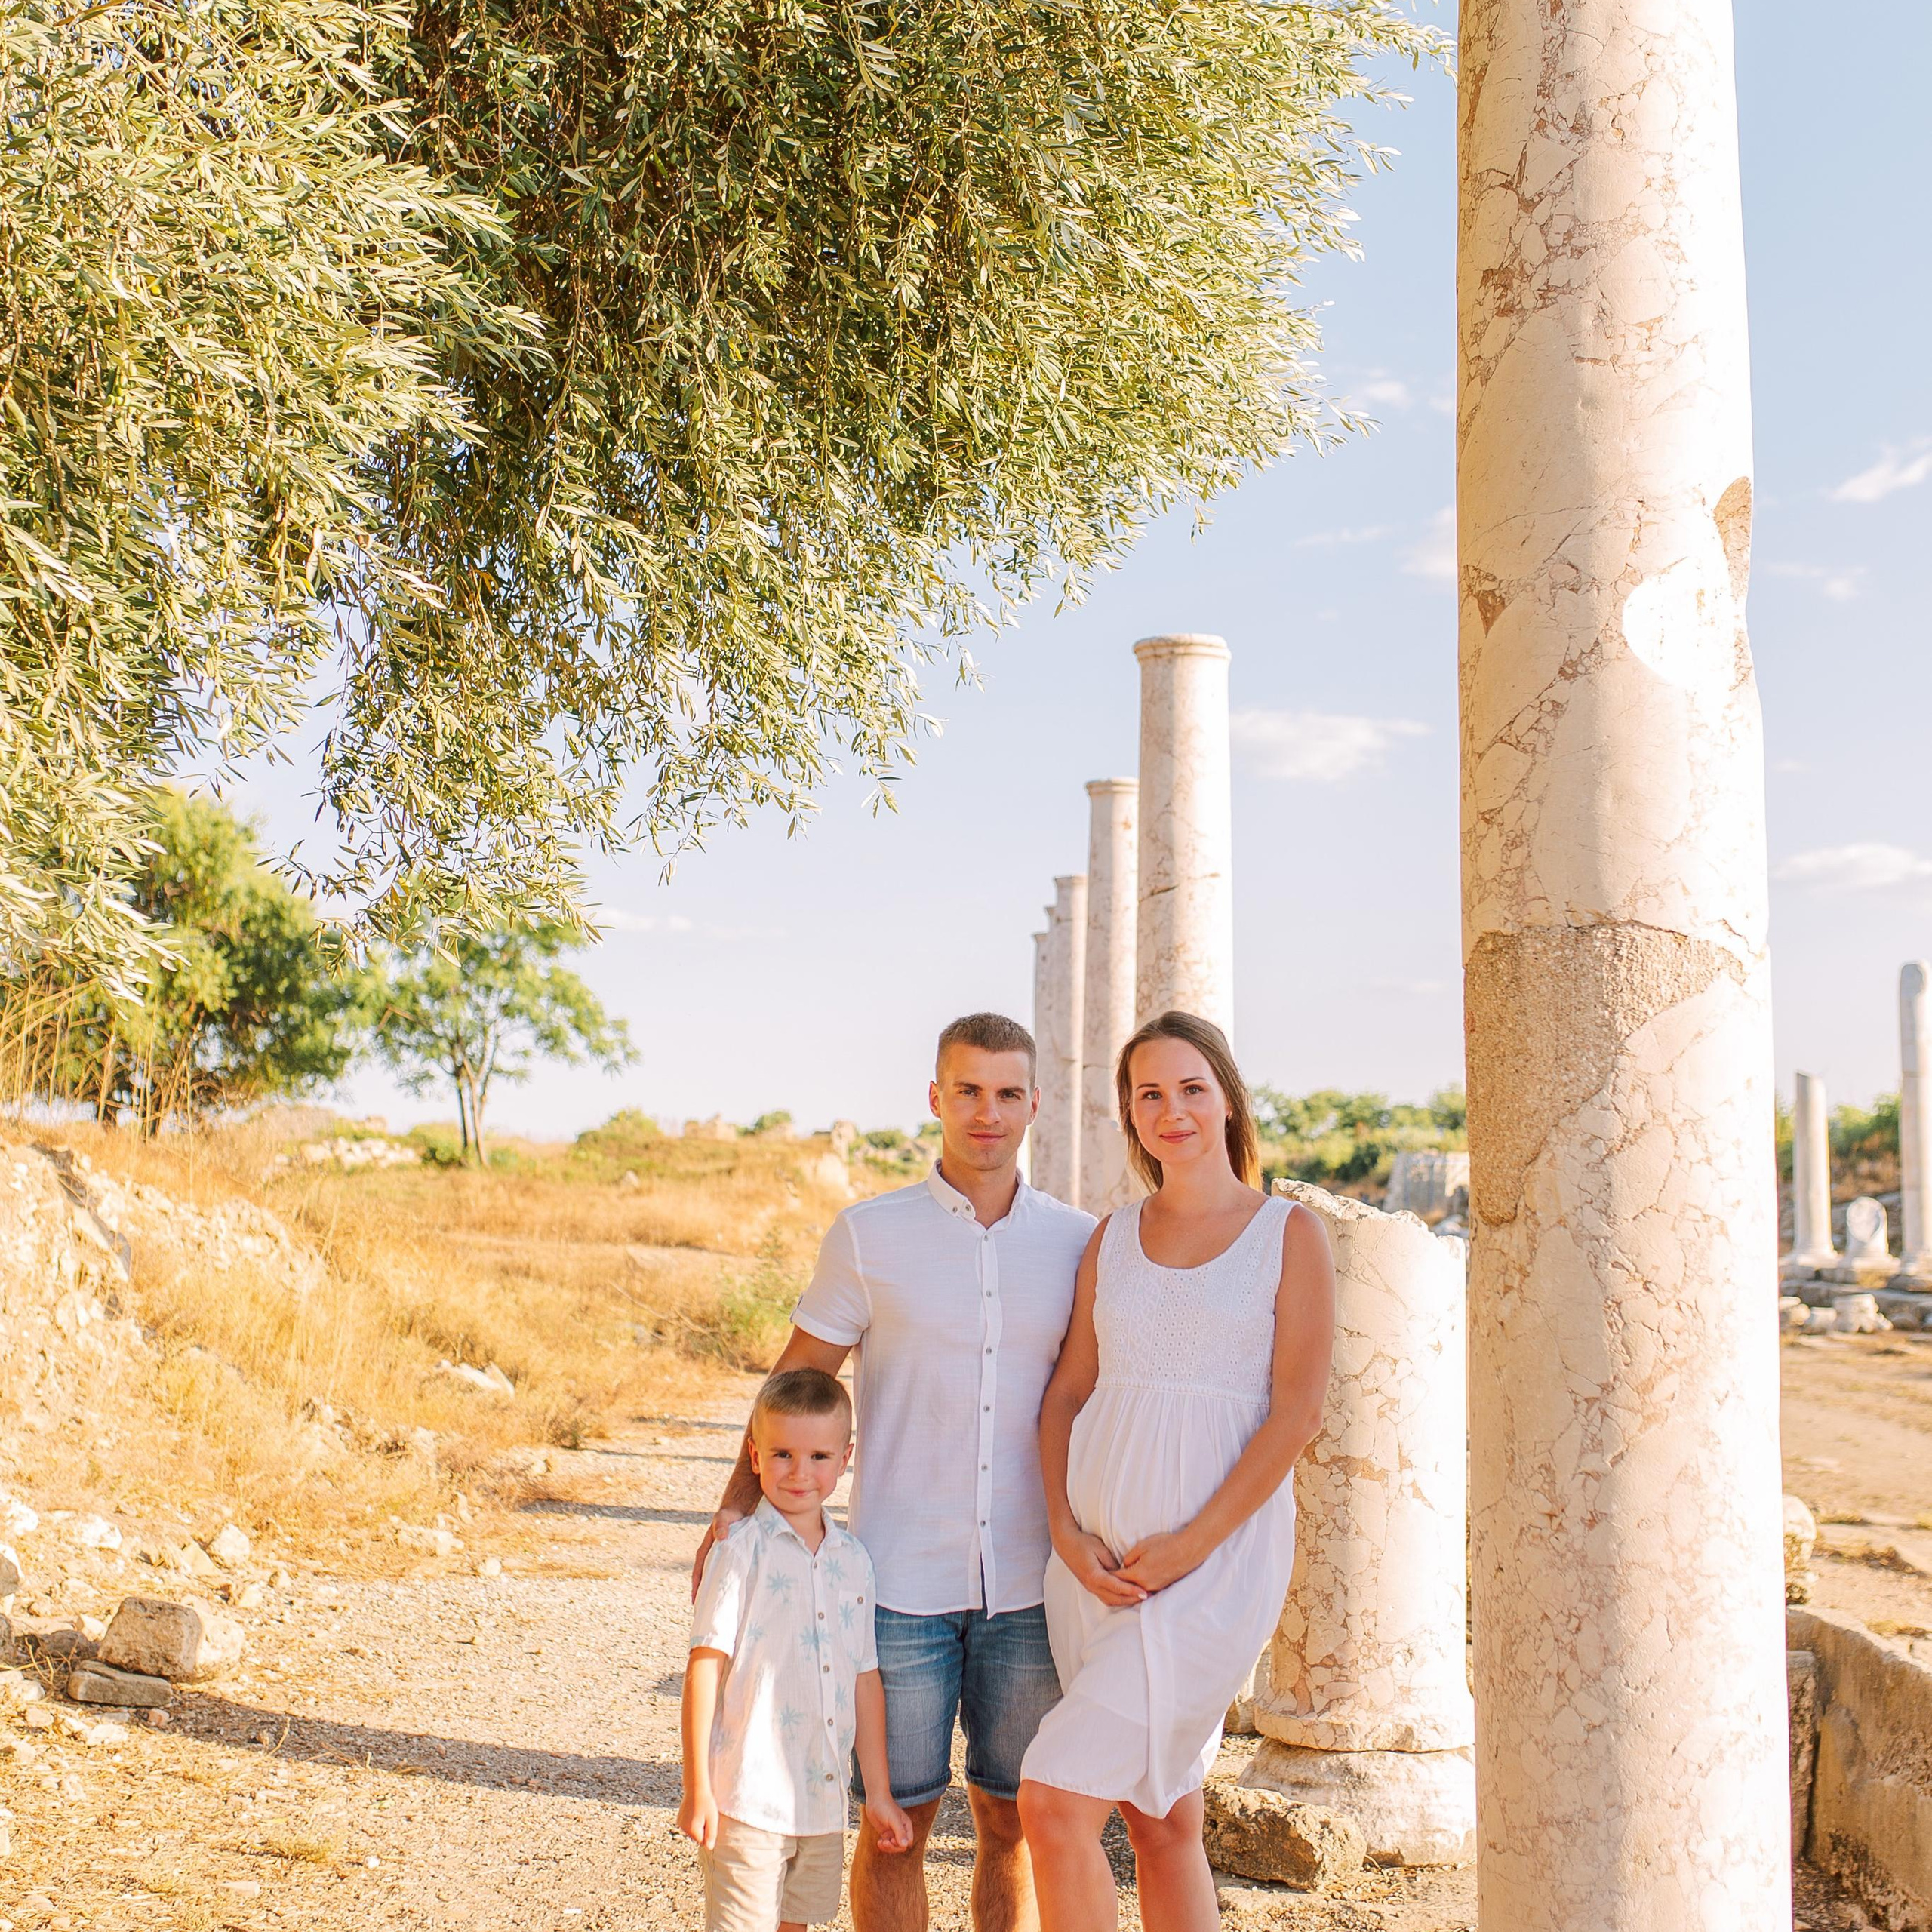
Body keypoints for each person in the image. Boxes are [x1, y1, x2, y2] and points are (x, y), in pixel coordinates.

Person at [693, 1012, 1094, 1932]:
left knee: (1013, 1817)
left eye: (1005, 1093)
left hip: (1034, 1585)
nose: (985, 1112)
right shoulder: (870, 1235)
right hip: (897, 1582)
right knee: (896, 1824)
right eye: (967, 1090)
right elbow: (794, 1386)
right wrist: (730, 1520)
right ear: (935, 1098)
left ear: (1034, 1103)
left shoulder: (1079, 1244)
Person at [1017, 1011, 1336, 1932]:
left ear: (1228, 1099)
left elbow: (1297, 1412)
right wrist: (1065, 1535)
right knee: (1158, 1816)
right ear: (1129, 1113)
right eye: (1148, 1093)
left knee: (1052, 1799)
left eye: (1191, 1087)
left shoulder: (1288, 1234)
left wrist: (1193, 1545)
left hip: (1214, 1571)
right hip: (1094, 1571)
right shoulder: (1110, 1237)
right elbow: (1067, 1394)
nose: (1172, 1110)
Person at [681, 1367, 913, 1932]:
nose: (799, 1473)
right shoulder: (739, 1552)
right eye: (782, 1454)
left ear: (845, 1458)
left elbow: (864, 1678)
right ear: (755, 1457)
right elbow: (704, 1669)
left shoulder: (853, 1560)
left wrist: (877, 1793)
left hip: (821, 1804)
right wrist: (698, 1791)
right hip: (746, 1798)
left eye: (818, 1457)